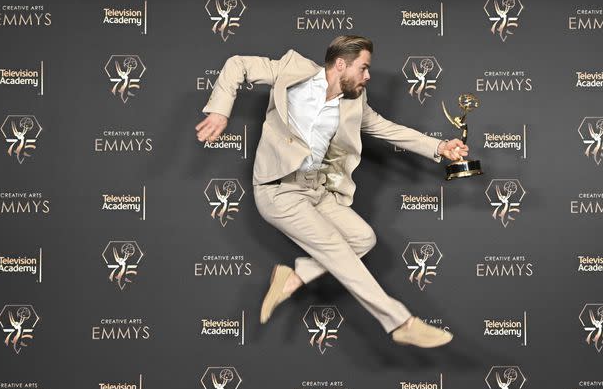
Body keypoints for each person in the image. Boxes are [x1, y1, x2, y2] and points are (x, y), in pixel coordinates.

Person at [195, 35, 468, 348]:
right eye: (363, 68)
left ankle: (294, 277)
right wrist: (220, 111)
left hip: (315, 189)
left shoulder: (354, 103)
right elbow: (237, 65)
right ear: (341, 64)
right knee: (335, 248)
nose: (368, 76)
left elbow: (389, 129)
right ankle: (400, 322)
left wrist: (441, 146)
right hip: (277, 191)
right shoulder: (292, 71)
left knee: (363, 238)